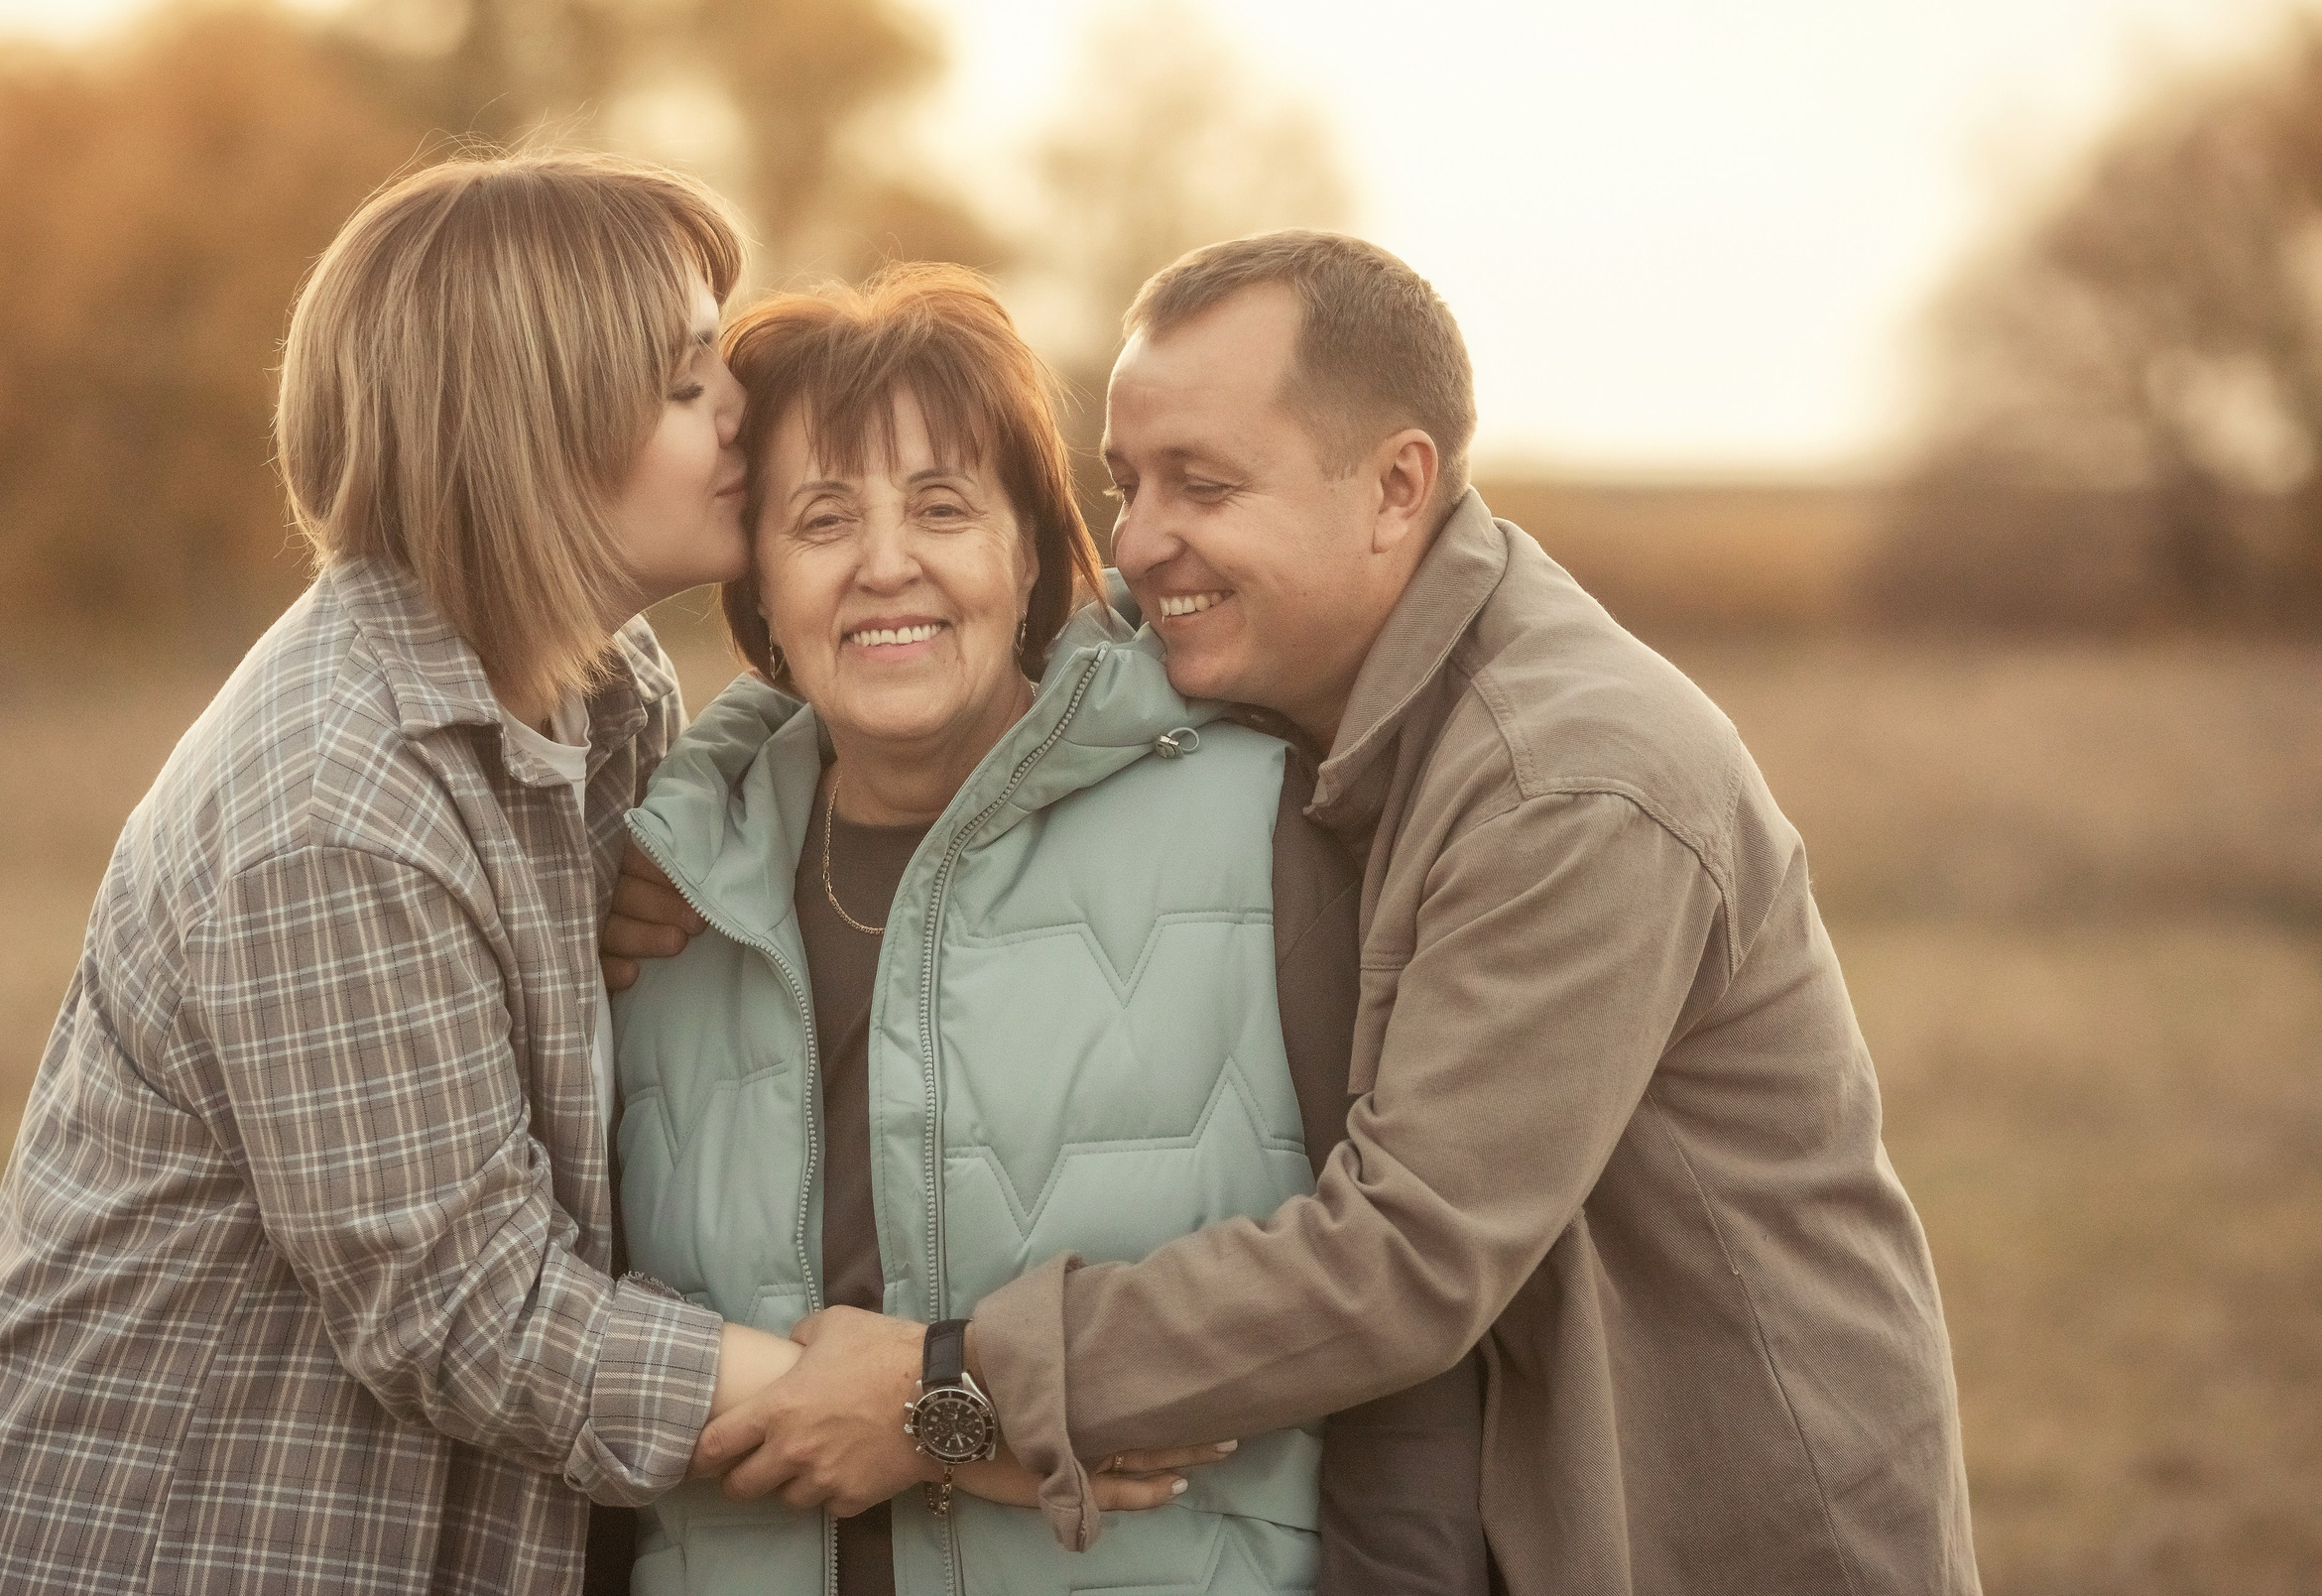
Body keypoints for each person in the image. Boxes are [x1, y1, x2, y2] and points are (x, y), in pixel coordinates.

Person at [619, 233, 1981, 1595]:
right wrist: (706, 789)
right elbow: (940, 636)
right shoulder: (1284, 667)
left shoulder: (1570, 784)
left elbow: (1402, 1259)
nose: (1139, 542)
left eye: (1202, 485)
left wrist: (945, 1389)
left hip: (1723, 1517)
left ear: (1397, 489)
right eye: (1125, 483)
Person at [0, 153, 814, 1594]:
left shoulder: (604, 686)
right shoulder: (339, 802)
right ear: (529, 433)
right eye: (689, 387)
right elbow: (471, 1314)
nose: (742, 410)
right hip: (162, 1545)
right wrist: (915, 1408)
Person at [603, 263, 1406, 1594]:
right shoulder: (661, 900)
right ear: (758, 590)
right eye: (820, 520)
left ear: (1029, 549)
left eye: (940, 507)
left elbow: (1385, 1329)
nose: (885, 563)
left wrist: (938, 1414)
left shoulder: (1267, 824)